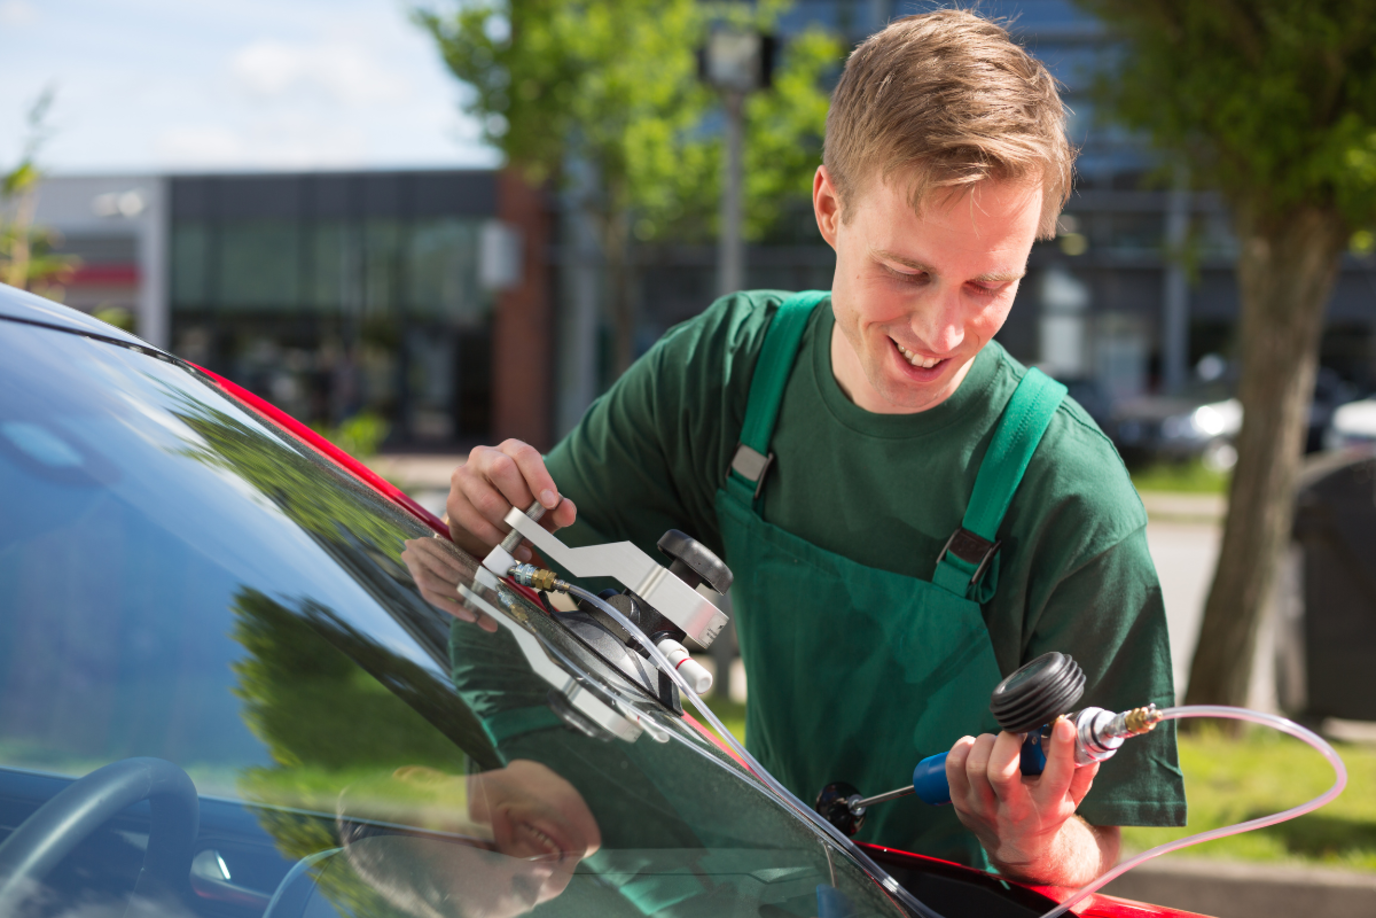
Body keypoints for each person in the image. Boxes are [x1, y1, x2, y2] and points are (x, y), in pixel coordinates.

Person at [445, 10, 1185, 887]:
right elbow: (534, 598)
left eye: (990, 284)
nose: (942, 329)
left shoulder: (1070, 496)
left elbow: (1101, 843)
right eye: (907, 272)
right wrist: (488, 521)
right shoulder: (727, 372)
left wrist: (1035, 844)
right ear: (830, 206)